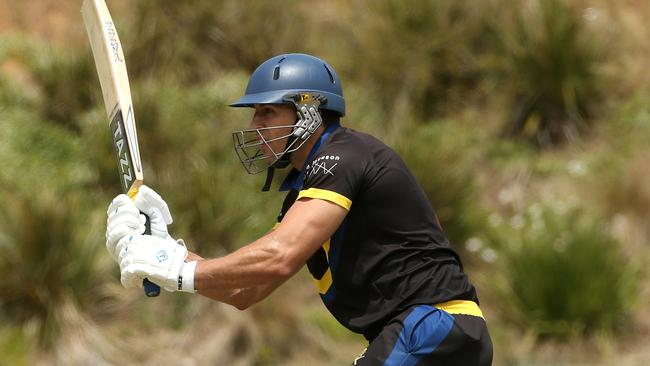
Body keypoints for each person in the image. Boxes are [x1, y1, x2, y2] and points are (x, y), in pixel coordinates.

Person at [105, 53, 493, 365]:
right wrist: (168, 250)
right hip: (435, 334)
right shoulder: (308, 191)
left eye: (267, 112)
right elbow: (246, 289)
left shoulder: (342, 157)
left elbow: (278, 257)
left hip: (433, 328)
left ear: (309, 111)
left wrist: (173, 266)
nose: (255, 125)